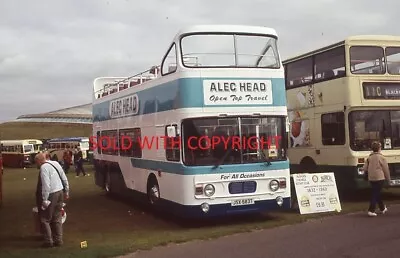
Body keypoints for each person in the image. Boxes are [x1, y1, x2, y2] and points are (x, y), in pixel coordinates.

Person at [35, 152, 70, 248]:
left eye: (36, 162)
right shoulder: (55, 163)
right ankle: (58, 240)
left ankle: (48, 241)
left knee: (45, 218)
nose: (36, 164)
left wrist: (45, 200)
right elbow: (64, 177)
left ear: (39, 161)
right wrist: (66, 191)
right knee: (57, 217)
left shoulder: (43, 168)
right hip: (60, 192)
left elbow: (46, 185)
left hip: (51, 194)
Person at [362, 141, 391, 217]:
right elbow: (386, 169)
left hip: (371, 178)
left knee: (376, 192)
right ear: (379, 149)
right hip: (380, 178)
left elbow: (364, 168)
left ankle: (382, 208)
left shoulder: (369, 157)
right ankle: (371, 210)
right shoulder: (382, 157)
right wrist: (388, 179)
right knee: (375, 193)